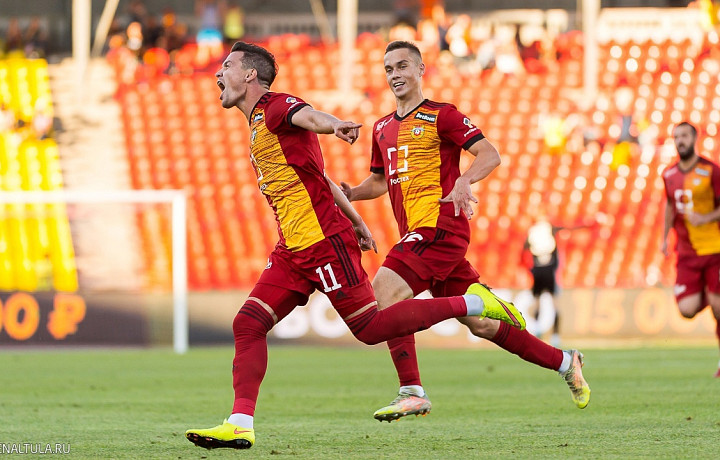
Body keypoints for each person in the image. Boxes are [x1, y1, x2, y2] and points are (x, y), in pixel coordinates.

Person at [185, 41, 526, 450]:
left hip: (324, 244)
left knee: (370, 329)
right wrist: (360, 221)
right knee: (248, 323)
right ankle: (240, 423)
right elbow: (322, 179)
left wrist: (334, 125)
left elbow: (308, 115)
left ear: (249, 74)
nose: (218, 73)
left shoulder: (275, 107)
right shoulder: (259, 126)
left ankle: (473, 303)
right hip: (292, 250)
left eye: (227, 65)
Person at [340, 40, 590, 422]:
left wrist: (465, 179)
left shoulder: (443, 115)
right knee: (484, 325)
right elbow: (379, 181)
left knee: (384, 294)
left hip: (440, 227)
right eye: (389, 69)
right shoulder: (382, 128)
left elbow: (490, 154)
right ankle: (565, 362)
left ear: (421, 70)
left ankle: (412, 391)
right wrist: (352, 194)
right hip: (420, 235)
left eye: (402, 66)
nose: (395, 75)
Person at [661, 121, 720, 377]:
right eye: (676, 137)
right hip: (686, 253)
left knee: (719, 309)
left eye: (684, 136)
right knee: (686, 309)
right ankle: (710, 293)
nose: (680, 141)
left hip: (714, 249)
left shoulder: (711, 171)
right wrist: (664, 237)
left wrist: (706, 218)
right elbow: (669, 206)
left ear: (694, 139)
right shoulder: (669, 175)